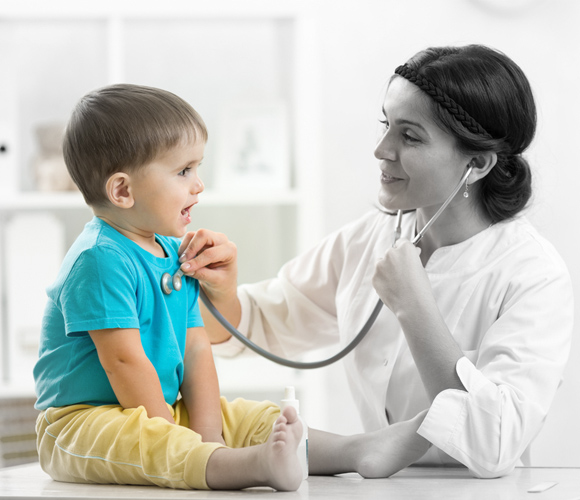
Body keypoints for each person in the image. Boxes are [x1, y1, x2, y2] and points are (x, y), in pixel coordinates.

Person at [178, 44, 574, 479]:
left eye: (409, 135)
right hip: (380, 487)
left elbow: (493, 444)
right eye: (387, 125)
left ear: (476, 164)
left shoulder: (534, 276)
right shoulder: (371, 237)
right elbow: (261, 324)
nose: (381, 150)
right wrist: (221, 293)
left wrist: (414, 306)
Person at [33, 83, 431, 492]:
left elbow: (196, 346)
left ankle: (355, 450)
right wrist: (178, 438)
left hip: (157, 410)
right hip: (82, 422)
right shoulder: (99, 260)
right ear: (122, 190)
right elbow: (125, 364)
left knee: (250, 418)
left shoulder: (173, 253)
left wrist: (208, 433)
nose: (198, 185)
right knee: (151, 443)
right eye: (184, 171)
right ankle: (255, 467)